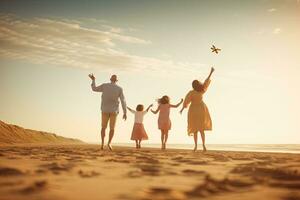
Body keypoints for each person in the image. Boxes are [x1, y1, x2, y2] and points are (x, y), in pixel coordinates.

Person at [89, 73, 127, 151]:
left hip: (105, 110)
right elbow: (123, 101)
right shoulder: (119, 88)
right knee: (112, 128)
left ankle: (102, 143)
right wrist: (125, 112)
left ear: (110, 79)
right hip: (114, 111)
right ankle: (109, 143)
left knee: (103, 128)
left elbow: (94, 89)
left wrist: (93, 80)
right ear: (116, 81)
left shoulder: (105, 85)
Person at [180, 67, 215, 152]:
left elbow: (186, 101)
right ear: (198, 84)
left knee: (195, 130)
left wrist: (182, 109)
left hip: (193, 111)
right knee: (201, 130)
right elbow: (206, 82)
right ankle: (203, 146)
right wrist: (211, 72)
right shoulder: (201, 90)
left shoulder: (191, 93)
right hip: (201, 109)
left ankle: (195, 146)